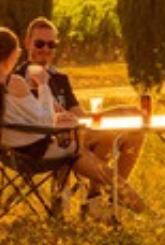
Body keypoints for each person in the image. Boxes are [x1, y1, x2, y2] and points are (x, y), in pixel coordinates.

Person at [0, 27, 141, 215]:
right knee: (87, 159)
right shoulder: (14, 82)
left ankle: (100, 204)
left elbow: (25, 118)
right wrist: (43, 85)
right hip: (33, 152)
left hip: (4, 148)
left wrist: (58, 118)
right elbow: (45, 121)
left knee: (89, 145)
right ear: (15, 53)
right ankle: (139, 209)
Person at [15, 16, 147, 210]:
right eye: (40, 43)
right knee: (106, 135)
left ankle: (104, 202)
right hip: (46, 142)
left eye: (51, 44)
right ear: (27, 44)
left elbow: (80, 115)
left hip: (74, 136)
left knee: (134, 132)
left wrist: (119, 112)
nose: (46, 49)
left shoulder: (60, 78)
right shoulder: (19, 79)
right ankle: (101, 199)